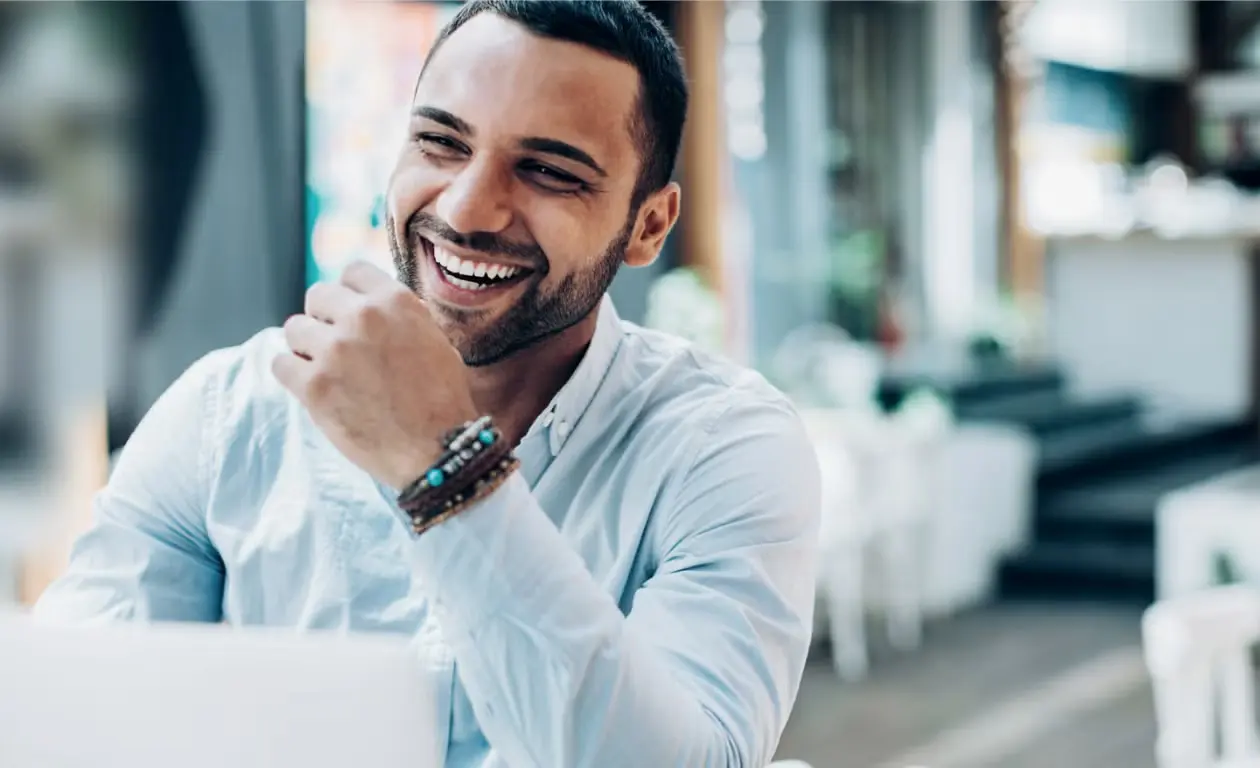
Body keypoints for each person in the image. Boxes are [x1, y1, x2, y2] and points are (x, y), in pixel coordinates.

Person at [36, 2, 821, 766]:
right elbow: (79, 719)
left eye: (548, 171)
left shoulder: (722, 448)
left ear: (649, 225)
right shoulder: (228, 414)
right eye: (441, 143)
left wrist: (445, 468)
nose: (467, 208)